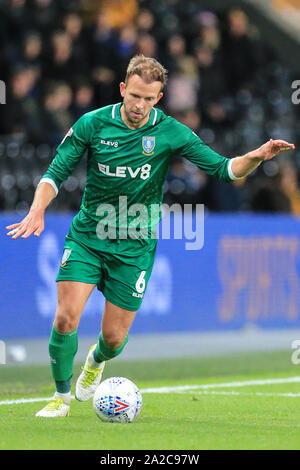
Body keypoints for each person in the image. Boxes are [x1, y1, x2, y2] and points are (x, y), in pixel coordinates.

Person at [6, 55, 295, 417]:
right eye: (135, 96)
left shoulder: (170, 131)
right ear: (123, 89)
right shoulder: (92, 124)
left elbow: (224, 170)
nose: (140, 105)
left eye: (149, 98)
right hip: (88, 238)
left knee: (112, 339)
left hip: (135, 246)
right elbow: (55, 173)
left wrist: (256, 156)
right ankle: (60, 397)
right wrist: (37, 209)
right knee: (66, 318)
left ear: (158, 98)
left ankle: (96, 361)